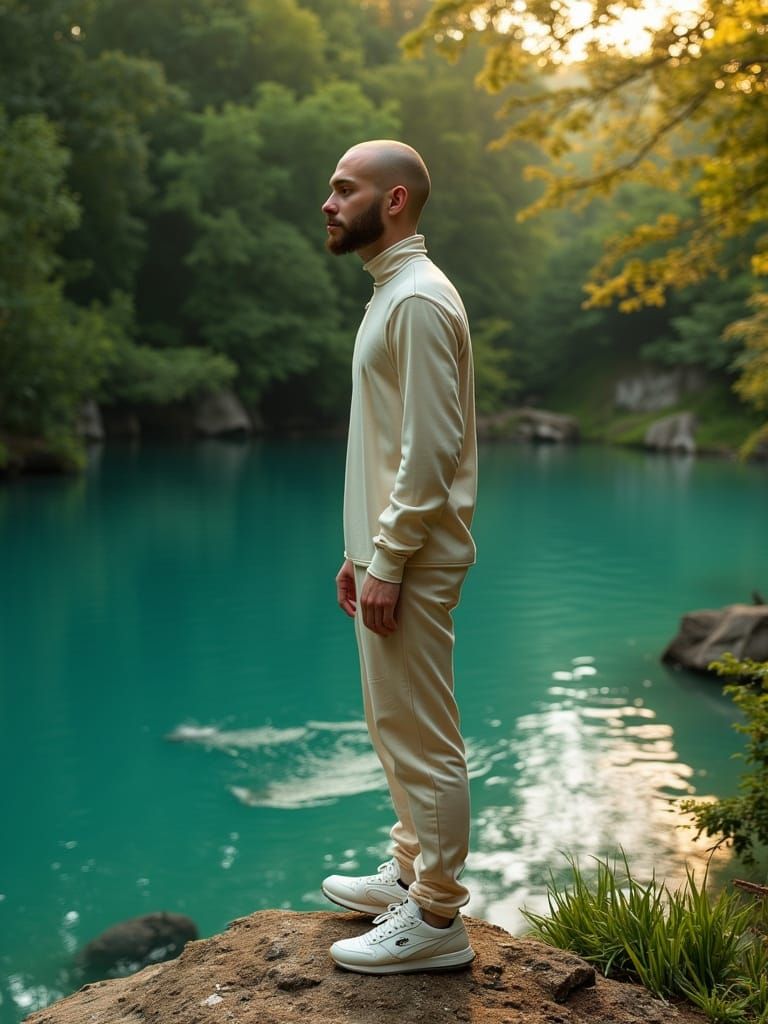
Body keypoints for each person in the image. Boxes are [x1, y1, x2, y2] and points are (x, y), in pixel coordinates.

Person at [320, 140, 478, 974]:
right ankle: (412, 870)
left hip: (411, 560)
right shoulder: (392, 290)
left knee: (423, 736)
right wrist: (362, 552)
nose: (328, 203)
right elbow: (389, 446)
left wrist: (389, 558)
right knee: (394, 726)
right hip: (389, 554)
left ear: (394, 202)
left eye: (344, 189)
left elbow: (432, 449)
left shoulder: (416, 298)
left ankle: (438, 916)